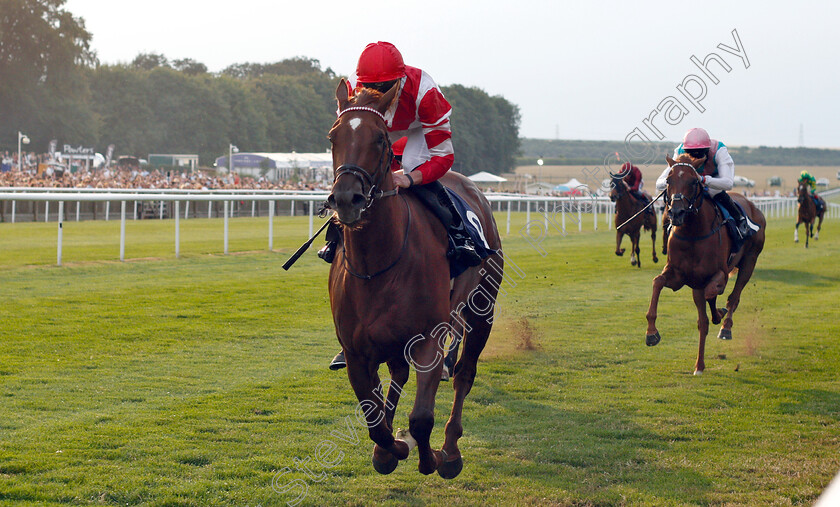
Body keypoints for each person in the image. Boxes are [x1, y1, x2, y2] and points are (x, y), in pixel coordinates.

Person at [322, 41, 482, 370]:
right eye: (370, 86)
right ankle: (334, 244)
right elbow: (351, 143)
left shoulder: (425, 92)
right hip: (377, 136)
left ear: (400, 81)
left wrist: (408, 179)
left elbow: (442, 156)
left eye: (384, 87)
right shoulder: (354, 92)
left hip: (419, 134)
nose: (376, 91)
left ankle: (460, 237)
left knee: (413, 182)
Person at [656, 127, 759, 243]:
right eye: (690, 153)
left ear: (707, 149)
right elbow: (659, 183)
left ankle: (739, 220)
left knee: (713, 191)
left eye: (699, 153)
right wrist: (675, 181)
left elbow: (728, 183)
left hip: (714, 180)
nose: (695, 156)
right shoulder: (679, 152)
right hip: (691, 183)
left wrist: (703, 179)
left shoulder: (719, 151)